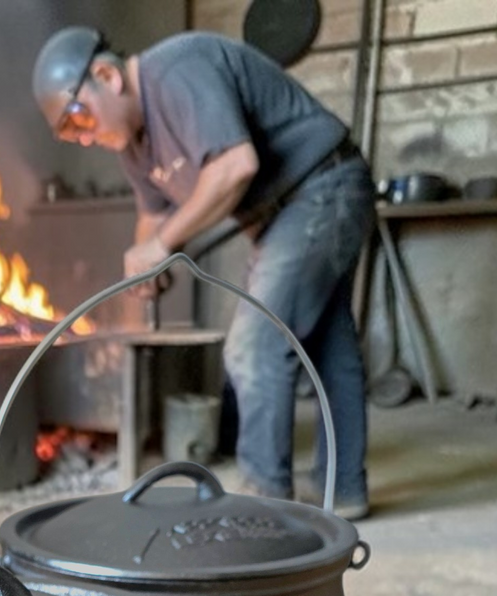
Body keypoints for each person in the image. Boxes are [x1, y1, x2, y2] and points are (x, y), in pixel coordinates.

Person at [31, 26, 377, 520]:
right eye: (70, 133)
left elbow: (235, 165)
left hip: (322, 187)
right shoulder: (133, 144)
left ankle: (264, 511)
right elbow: (153, 217)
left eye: (80, 117)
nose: (85, 136)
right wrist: (144, 266)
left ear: (107, 76)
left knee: (254, 347)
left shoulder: (176, 70)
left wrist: (162, 245)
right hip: (282, 215)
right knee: (327, 346)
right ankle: (343, 491)